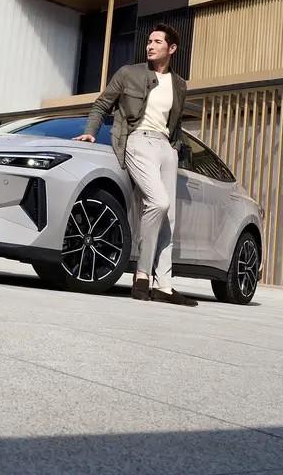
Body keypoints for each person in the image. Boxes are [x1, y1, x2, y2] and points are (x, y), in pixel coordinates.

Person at [74, 23, 197, 307]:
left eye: (157, 42)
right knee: (158, 202)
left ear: (172, 48)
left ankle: (164, 285)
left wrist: (176, 149)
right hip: (138, 141)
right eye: (149, 41)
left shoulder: (179, 84)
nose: (150, 46)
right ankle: (142, 275)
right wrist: (91, 131)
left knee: (169, 217)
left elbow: (175, 123)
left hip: (166, 147)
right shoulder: (129, 73)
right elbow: (102, 104)